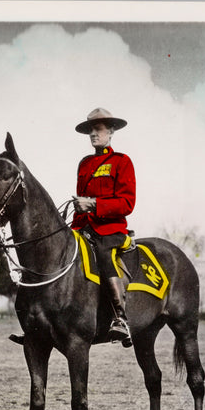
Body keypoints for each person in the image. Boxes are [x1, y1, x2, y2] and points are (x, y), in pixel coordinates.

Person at [72, 107, 136, 347]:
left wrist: (94, 204)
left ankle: (120, 318)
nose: (93, 134)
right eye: (90, 130)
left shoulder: (121, 161)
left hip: (111, 229)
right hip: (84, 227)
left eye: (98, 129)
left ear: (110, 131)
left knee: (102, 253)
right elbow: (81, 200)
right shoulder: (84, 164)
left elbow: (127, 203)